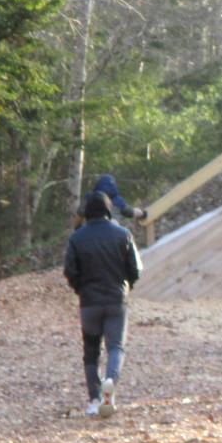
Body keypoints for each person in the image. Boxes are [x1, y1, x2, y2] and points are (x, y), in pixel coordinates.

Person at [63, 191, 143, 418]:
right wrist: (127, 286)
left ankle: (94, 400)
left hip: (89, 302)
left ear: (87, 212)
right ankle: (110, 382)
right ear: (109, 210)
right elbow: (135, 269)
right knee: (116, 347)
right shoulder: (123, 234)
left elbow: (70, 271)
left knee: (91, 352)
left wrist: (80, 289)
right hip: (117, 299)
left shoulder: (77, 238)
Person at [72, 174, 147, 228]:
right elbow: (133, 212)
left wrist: (77, 229)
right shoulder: (119, 201)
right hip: (113, 233)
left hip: (91, 231)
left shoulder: (89, 198)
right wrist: (143, 214)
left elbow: (79, 216)